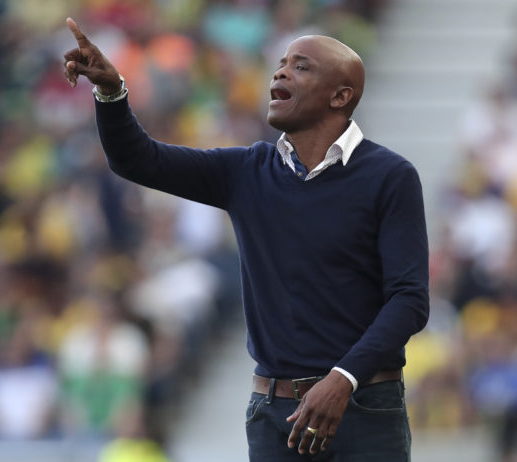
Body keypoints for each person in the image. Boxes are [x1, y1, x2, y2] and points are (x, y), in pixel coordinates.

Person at [63, 17, 429, 461]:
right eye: (281, 64)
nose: (280, 72)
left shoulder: (390, 176)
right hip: (276, 414)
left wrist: (343, 379)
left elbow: (410, 300)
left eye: (301, 67)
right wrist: (111, 91)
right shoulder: (247, 171)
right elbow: (136, 159)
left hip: (365, 407)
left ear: (340, 96)